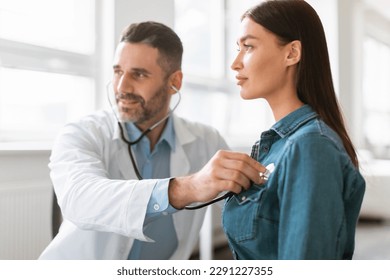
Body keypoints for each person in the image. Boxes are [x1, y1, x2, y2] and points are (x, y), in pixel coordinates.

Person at [39, 21, 264, 260]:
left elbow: (249, 210)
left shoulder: (206, 140)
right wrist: (186, 188)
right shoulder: (81, 133)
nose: (122, 87)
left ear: (174, 82)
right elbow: (80, 199)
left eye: (139, 74)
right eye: (118, 72)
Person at [222, 0, 366, 260]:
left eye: (249, 47)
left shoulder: (310, 146)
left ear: (291, 53)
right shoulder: (279, 145)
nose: (235, 63)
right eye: (238, 49)